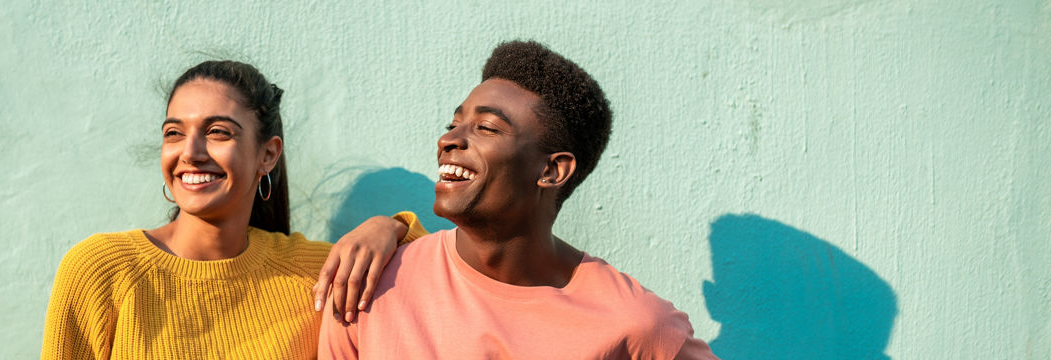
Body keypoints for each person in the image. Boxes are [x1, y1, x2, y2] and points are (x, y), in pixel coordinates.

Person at [319, 41, 718, 359]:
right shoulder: (368, 285)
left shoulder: (635, 324)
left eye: (487, 128)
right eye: (453, 124)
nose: (449, 141)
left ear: (552, 171)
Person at [41, 60, 428, 359]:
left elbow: (444, 277)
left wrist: (391, 227)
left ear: (268, 154)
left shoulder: (314, 276)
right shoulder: (100, 270)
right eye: (174, 133)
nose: (190, 153)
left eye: (217, 132)